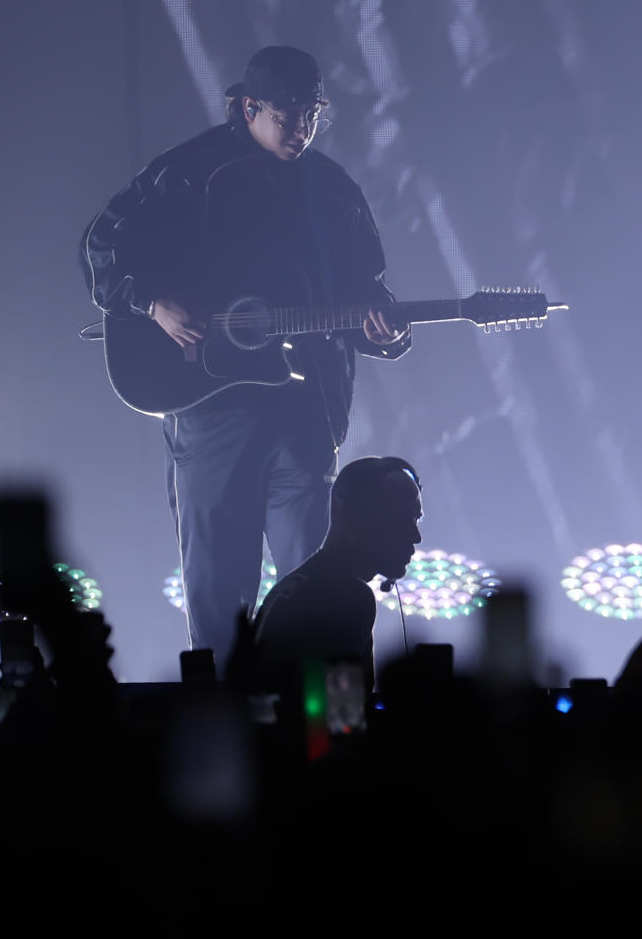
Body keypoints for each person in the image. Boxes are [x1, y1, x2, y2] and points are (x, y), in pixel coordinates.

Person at [81, 46, 410, 668]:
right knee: (218, 604)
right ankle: (225, 741)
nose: (302, 129)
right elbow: (101, 246)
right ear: (249, 107)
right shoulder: (187, 173)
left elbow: (366, 294)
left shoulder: (333, 191)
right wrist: (152, 302)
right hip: (211, 414)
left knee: (323, 588)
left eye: (311, 115)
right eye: (286, 116)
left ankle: (328, 741)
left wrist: (385, 330)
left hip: (306, 415)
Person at [249, 456, 422, 687]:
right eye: (402, 518)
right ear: (360, 517)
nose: (415, 536)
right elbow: (341, 716)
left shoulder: (292, 589)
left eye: (416, 520)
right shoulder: (348, 598)